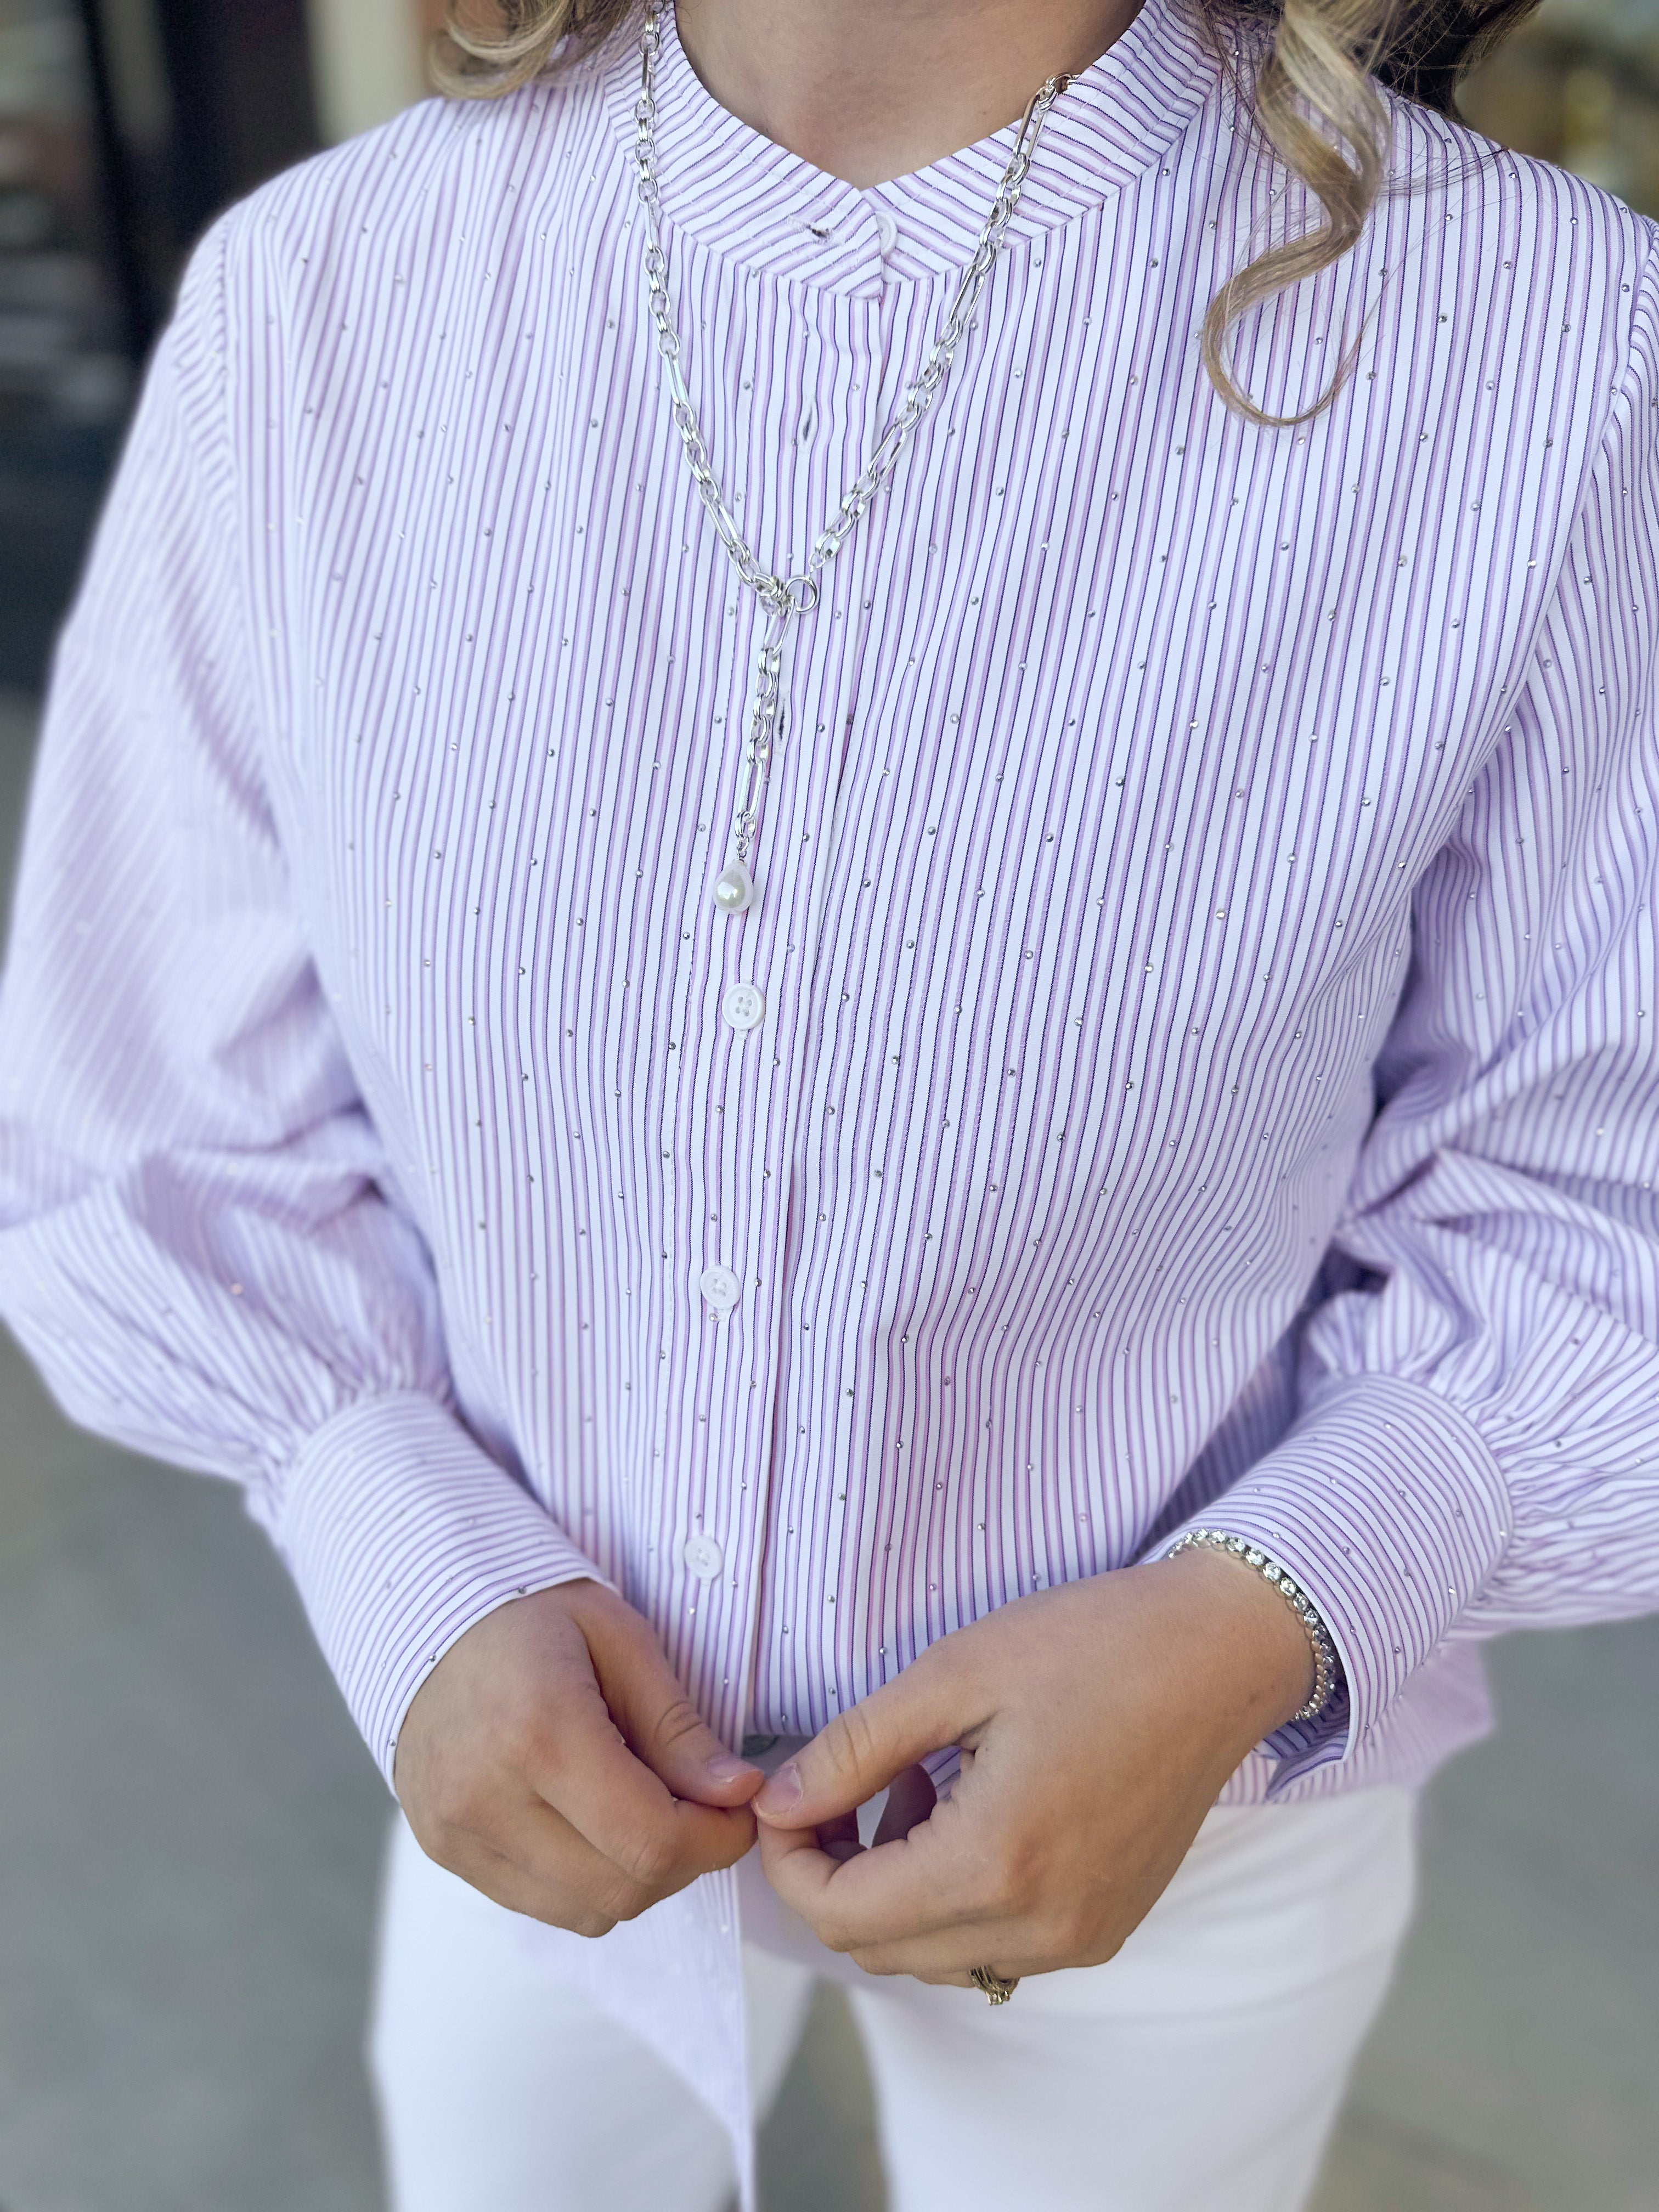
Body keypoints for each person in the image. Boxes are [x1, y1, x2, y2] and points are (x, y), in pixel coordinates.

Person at [3, 0, 1657, 2203]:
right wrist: (392, 1530)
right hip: (513, 1741)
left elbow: (1599, 1177)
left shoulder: (1545, 352)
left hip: (1206, 1825)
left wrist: (1258, 1609)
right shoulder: (317, 307)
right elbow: (158, 1110)